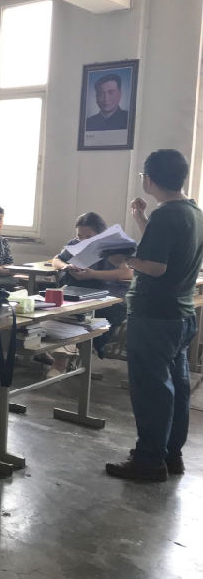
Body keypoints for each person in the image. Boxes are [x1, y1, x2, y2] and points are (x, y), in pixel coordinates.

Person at [105, 150, 203, 481]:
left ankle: (148, 461)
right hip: (181, 314)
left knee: (151, 390)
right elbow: (164, 247)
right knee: (176, 385)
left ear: (149, 179)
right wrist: (140, 217)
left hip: (154, 316)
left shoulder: (166, 215)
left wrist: (125, 260)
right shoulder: (192, 212)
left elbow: (157, 266)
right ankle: (170, 455)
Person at [45, 212, 132, 377]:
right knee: (59, 312)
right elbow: (56, 259)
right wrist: (66, 267)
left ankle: (62, 361)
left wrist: (93, 274)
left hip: (109, 298)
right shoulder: (75, 245)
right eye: (79, 236)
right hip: (78, 293)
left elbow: (128, 273)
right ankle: (63, 357)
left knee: (81, 318)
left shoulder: (114, 248)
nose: (82, 241)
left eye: (88, 237)